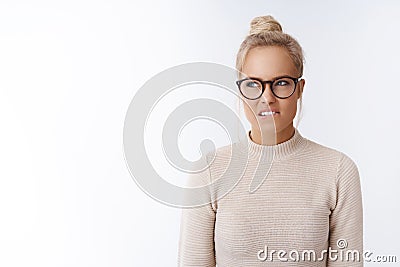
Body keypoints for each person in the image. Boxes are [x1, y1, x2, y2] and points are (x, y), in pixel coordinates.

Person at [177, 15, 363, 267]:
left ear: (300, 89)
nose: (268, 98)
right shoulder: (209, 170)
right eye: (254, 84)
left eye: (282, 83)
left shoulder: (338, 171)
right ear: (240, 91)